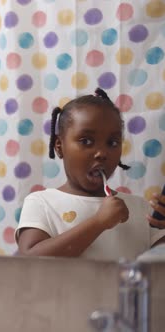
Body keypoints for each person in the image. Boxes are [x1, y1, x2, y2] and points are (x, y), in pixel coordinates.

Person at [16, 88, 165, 260]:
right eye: (86, 141)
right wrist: (98, 223)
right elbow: (29, 259)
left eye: (112, 142)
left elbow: (158, 270)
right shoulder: (41, 203)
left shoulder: (141, 208)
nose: (102, 153)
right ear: (59, 146)